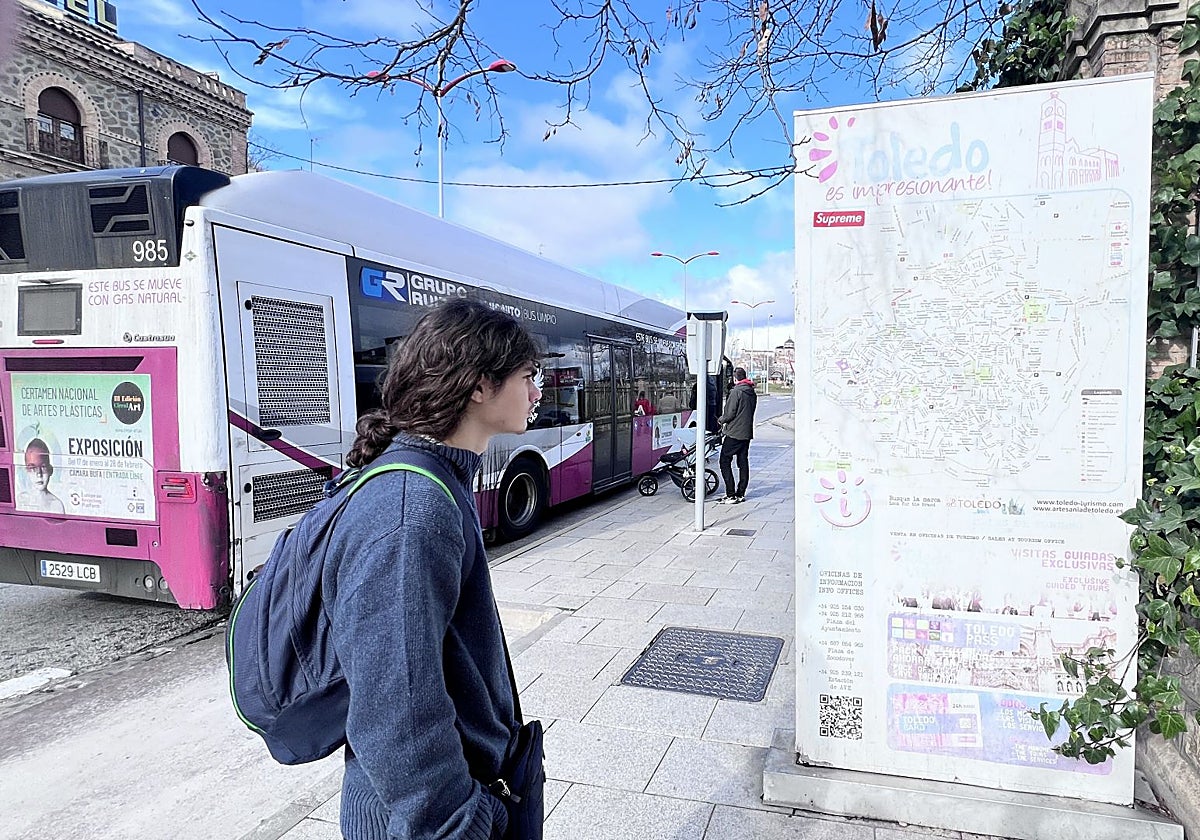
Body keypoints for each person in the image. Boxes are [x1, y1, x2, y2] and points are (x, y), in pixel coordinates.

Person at [324, 298, 543, 840]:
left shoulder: (436, 482)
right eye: (527, 375)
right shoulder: (411, 510)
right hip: (421, 824)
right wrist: (463, 821)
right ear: (478, 387)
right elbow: (392, 707)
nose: (538, 391)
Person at [716, 366, 758, 504]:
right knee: (743, 462)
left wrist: (720, 420)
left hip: (734, 433)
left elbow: (730, 413)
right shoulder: (751, 392)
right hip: (746, 433)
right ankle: (741, 493)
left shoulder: (736, 392)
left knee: (724, 461)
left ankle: (731, 494)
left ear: (735, 378)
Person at [19, 438, 65, 514]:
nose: (39, 474)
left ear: (51, 470)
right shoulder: (20, 500)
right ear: (26, 470)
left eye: (43, 467)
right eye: (33, 468)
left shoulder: (56, 505)